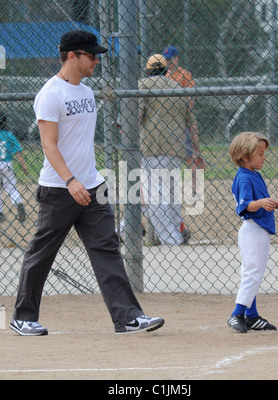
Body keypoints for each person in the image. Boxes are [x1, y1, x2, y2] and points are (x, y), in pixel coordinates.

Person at [9, 30, 164, 336]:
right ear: (72, 56)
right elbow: (49, 145)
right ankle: (23, 317)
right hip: (60, 188)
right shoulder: (51, 94)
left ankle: (128, 317)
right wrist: (70, 181)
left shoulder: (87, 93)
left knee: (106, 249)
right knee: (42, 252)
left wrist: (87, 180)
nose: (96, 60)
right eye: (91, 55)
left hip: (92, 186)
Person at [139, 54, 203, 245]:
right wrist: (197, 151)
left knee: (154, 197)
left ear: (148, 71)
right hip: (176, 149)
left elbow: (136, 115)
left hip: (152, 147)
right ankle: (175, 232)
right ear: (166, 70)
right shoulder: (178, 88)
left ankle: (171, 238)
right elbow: (191, 124)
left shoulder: (144, 85)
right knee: (172, 194)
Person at [227, 132, 278, 333]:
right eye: (259, 154)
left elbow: (257, 202)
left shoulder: (253, 175)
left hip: (258, 231)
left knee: (253, 273)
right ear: (245, 156)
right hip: (252, 230)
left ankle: (251, 316)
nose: (263, 157)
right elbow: (245, 205)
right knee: (252, 273)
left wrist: (272, 203)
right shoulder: (243, 177)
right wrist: (260, 203)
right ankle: (237, 314)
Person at [163, 47, 206, 192]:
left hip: (182, 118)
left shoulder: (184, 74)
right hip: (168, 119)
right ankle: (169, 187)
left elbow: (189, 97)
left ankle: (194, 187)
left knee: (191, 154)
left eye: (170, 59)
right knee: (168, 154)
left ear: (176, 59)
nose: (167, 62)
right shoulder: (164, 75)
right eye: (166, 59)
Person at [0, 113, 27, 223]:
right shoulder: (9, 135)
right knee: (11, 188)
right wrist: (24, 166)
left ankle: (0, 214)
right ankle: (17, 202)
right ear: (6, 123)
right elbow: (18, 153)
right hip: (7, 164)